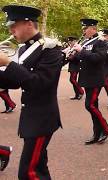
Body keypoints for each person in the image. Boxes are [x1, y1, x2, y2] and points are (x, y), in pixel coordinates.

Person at [0, 5, 63, 179]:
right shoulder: (23, 49)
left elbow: (39, 83)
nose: (11, 31)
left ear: (28, 23)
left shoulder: (51, 49)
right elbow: (15, 82)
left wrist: (8, 64)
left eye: (14, 25)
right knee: (39, 167)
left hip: (42, 119)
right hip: (31, 117)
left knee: (29, 173)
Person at [72, 19, 108, 145]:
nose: (83, 31)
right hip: (86, 78)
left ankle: (106, 128)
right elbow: (82, 58)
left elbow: (99, 58)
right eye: (83, 29)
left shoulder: (101, 42)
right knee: (93, 106)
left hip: (95, 79)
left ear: (93, 28)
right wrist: (72, 54)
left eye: (85, 28)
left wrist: (81, 51)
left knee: (90, 105)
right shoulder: (85, 42)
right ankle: (97, 133)